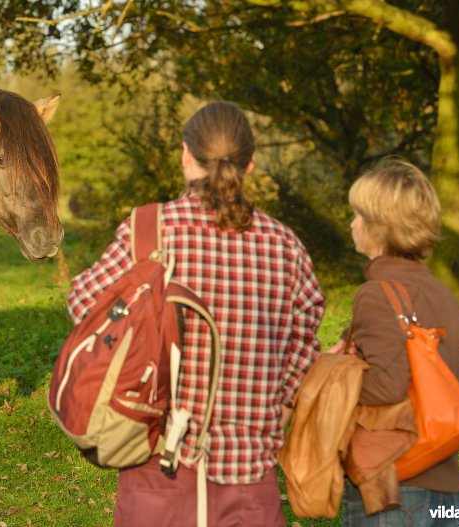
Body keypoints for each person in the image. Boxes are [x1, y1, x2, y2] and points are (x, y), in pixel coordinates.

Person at [67, 101, 325, 526]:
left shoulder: (149, 231)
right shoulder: (285, 246)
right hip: (251, 479)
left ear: (186, 156)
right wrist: (281, 403)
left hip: (156, 468)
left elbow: (84, 304)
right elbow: (306, 335)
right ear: (251, 165)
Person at [325, 158, 459, 526]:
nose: (352, 222)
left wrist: (335, 369)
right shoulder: (445, 296)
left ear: (378, 227)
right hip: (448, 488)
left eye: (358, 214)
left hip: (391, 488)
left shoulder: (375, 295)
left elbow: (387, 386)